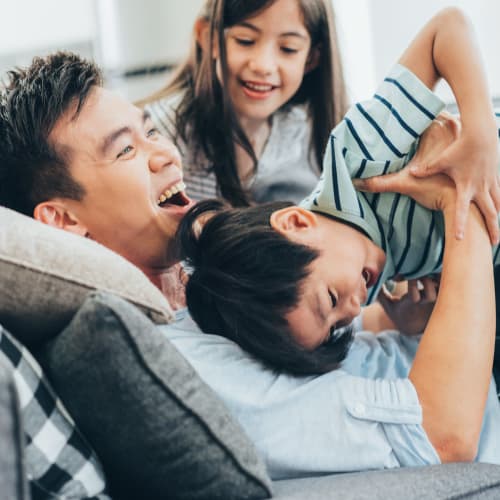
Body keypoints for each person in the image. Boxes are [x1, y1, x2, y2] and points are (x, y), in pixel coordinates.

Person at [0, 7, 498, 478]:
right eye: (126, 149)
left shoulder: (203, 281)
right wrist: (462, 196)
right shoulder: (176, 362)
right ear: (63, 221)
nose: (164, 155)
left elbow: (327, 325)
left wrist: (392, 318)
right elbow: (440, 435)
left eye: (150, 131)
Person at [176, 6, 500, 374]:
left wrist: (481, 134)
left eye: (330, 299)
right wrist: (408, 320)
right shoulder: (364, 274)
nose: (352, 309)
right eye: (336, 327)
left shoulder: (359, 157)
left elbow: (448, 28)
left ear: (297, 223)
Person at [141, 0, 348, 206]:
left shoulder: (306, 131)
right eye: (245, 40)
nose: (263, 66)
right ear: (209, 39)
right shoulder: (160, 134)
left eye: (288, 48)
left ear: (311, 58)